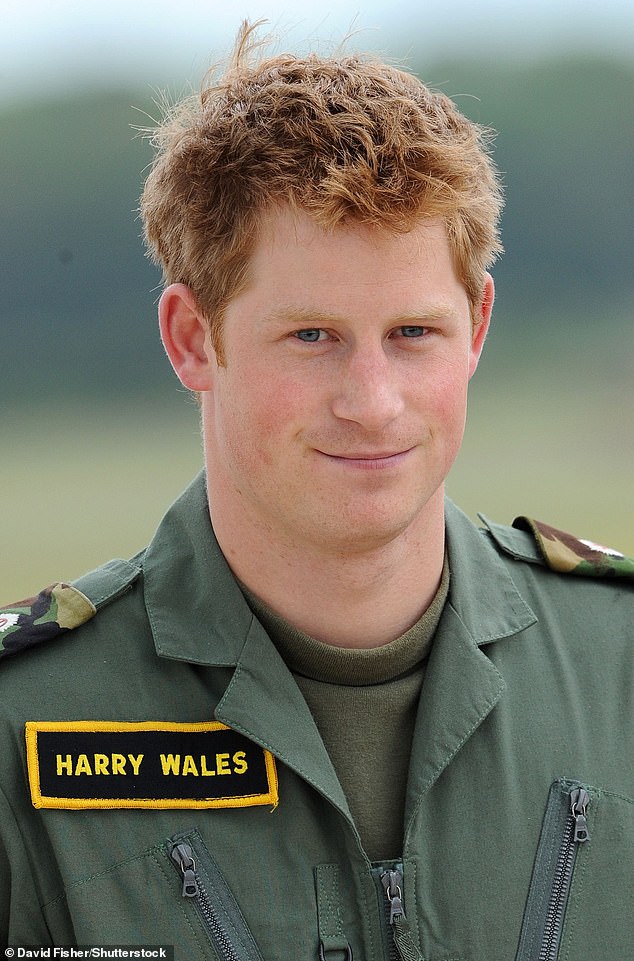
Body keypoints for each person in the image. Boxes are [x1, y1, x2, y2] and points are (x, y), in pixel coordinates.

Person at [1, 22, 632, 960]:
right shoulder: (21, 729)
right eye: (312, 337)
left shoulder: (619, 669)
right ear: (190, 338)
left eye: (413, 332)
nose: (372, 405)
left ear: (478, 327)